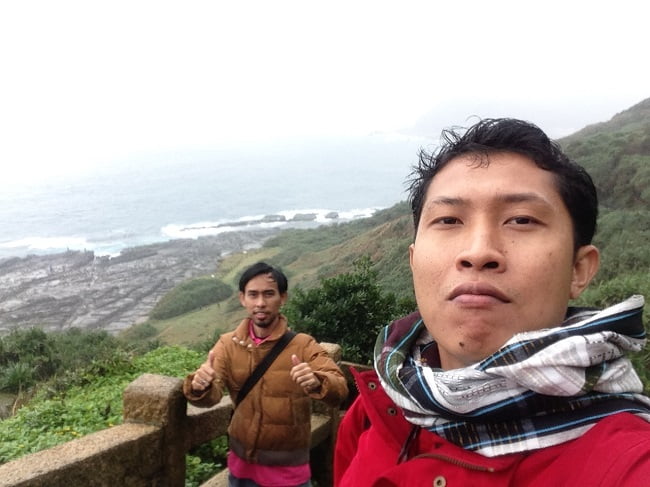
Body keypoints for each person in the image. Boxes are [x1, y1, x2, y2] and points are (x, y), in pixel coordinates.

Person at [334, 118, 650, 486]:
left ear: (578, 270)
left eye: (521, 220)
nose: (478, 251)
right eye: (449, 219)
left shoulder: (627, 463)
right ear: (414, 261)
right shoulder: (378, 408)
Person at [184, 262, 348, 487]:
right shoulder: (227, 345)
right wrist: (200, 386)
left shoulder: (303, 345)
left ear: (283, 298)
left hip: (289, 470)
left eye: (269, 294)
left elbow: (340, 387)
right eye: (253, 294)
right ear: (243, 299)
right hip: (242, 467)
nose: (260, 303)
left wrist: (318, 381)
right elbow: (212, 395)